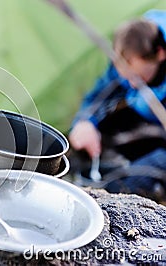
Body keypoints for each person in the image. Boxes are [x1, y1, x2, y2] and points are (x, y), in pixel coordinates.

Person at [69, 10, 166, 201]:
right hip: (146, 116)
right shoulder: (130, 53)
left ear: (160, 54)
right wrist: (84, 122)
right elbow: (101, 94)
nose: (131, 84)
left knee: (136, 178)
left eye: (137, 77)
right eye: (126, 76)